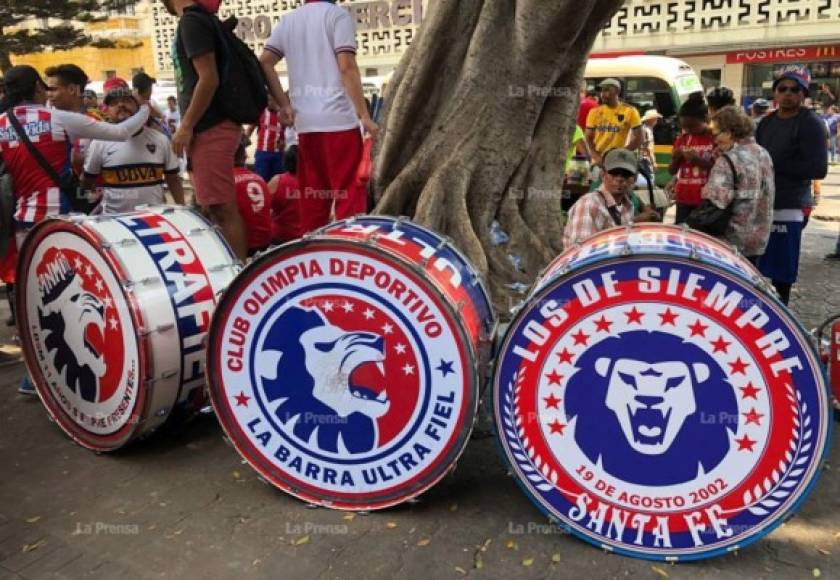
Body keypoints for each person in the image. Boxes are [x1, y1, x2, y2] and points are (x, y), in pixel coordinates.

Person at [0, 65, 150, 394]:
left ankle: (34, 376)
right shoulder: (57, 119)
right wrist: (146, 107)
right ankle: (80, 373)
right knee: (72, 296)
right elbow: (121, 132)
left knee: (36, 297)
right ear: (38, 88)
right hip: (60, 221)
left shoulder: (2, 124)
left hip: (25, 221)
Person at [259, 0, 378, 235]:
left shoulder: (289, 20)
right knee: (349, 198)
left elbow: (265, 61)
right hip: (340, 122)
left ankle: (314, 253)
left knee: (313, 200)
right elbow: (346, 66)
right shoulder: (337, 16)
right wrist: (364, 114)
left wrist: (284, 105)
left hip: (306, 125)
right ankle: (350, 253)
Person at [162, 0, 264, 261]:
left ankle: (235, 271)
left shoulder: (192, 21)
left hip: (211, 126)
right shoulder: (198, 20)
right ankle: (228, 265)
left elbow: (209, 78)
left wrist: (186, 126)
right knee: (212, 205)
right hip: (211, 127)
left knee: (221, 207)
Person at [756, 64, 829, 305]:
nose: (788, 93)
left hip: (790, 205)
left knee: (781, 272)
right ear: (775, 93)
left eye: (795, 89)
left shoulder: (811, 124)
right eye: (783, 88)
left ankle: (780, 313)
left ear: (804, 94)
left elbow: (819, 169)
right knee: (757, 266)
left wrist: (776, 165)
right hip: (760, 204)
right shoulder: (766, 123)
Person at [83, 79, 185, 214]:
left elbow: (173, 179)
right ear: (107, 111)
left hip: (155, 217)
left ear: (138, 107)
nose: (121, 104)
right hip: (114, 220)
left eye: (127, 100)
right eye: (114, 103)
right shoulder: (99, 143)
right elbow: (87, 182)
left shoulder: (160, 140)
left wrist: (182, 210)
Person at [700, 106, 775, 264]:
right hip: (758, 241)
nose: (715, 140)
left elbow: (714, 204)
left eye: (716, 134)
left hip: (729, 244)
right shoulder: (763, 154)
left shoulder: (728, 160)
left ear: (728, 132)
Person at [563, 148, 658, 248]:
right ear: (603, 175)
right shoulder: (589, 205)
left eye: (626, 174)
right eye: (614, 172)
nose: (619, 178)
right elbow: (581, 254)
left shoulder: (627, 204)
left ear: (634, 179)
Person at [668, 93, 716, 224]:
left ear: (706, 119)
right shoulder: (682, 140)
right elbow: (671, 171)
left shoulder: (715, 138)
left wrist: (697, 160)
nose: (689, 130)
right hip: (683, 199)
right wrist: (677, 157)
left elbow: (720, 168)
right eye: (685, 127)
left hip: (705, 200)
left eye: (693, 126)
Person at [585, 78, 642, 167]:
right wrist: (597, 157)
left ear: (617, 91)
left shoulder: (630, 111)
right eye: (601, 91)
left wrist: (620, 154)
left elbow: (639, 139)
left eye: (607, 90)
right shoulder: (594, 112)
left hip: (618, 162)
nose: (602, 94)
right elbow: (588, 138)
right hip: (597, 163)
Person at [233, 139, 272, 256]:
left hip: (242, 246)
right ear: (244, 157)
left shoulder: (224, 181)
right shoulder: (260, 179)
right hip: (265, 242)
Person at [249, 95, 286, 183]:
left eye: (272, 100)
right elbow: (250, 128)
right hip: (262, 153)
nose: (270, 103)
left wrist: (284, 142)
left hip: (278, 154)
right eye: (268, 100)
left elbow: (290, 128)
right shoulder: (261, 112)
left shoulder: (282, 115)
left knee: (276, 182)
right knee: (261, 181)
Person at [269, 144, 302, 244]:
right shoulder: (314, 183)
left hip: (279, 236)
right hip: (304, 237)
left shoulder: (277, 181)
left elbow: (264, 209)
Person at [639, 109, 661, 177]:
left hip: (642, 158)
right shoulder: (647, 131)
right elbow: (648, 148)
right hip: (646, 159)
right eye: (656, 119)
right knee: (650, 177)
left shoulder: (644, 128)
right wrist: (653, 162)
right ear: (651, 119)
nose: (657, 121)